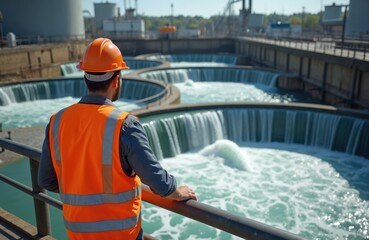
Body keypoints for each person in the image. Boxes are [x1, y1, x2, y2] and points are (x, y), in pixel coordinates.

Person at [38, 37, 197, 240]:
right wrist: (176, 191)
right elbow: (156, 180)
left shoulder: (56, 121)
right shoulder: (124, 124)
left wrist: (80, 185)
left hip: (77, 233)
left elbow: (45, 180)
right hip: (122, 235)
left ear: (85, 77)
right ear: (116, 80)